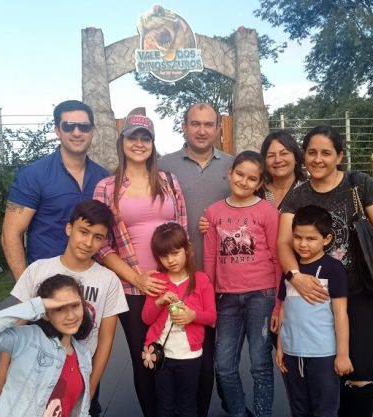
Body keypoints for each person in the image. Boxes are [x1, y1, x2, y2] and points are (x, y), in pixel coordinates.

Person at [278, 125, 373, 417]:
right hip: (317, 297)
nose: (317, 159)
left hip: (362, 292)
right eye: (311, 152)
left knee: (358, 372)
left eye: (326, 153)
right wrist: (296, 277)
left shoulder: (359, 184)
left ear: (340, 156)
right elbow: (283, 243)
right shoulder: (297, 196)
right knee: (326, 372)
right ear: (303, 156)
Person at [0, 200, 128, 417]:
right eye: (83, 232)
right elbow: (16, 325)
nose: (88, 242)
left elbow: (106, 340)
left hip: (77, 373)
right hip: (33, 368)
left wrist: (91, 388)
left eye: (98, 237)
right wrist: (0, 377)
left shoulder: (108, 281)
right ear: (69, 228)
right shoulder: (38, 270)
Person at [93, 110, 187, 417]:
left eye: (145, 137)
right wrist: (137, 279)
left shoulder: (169, 181)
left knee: (177, 353)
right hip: (132, 289)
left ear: (153, 143)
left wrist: (186, 278)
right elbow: (101, 244)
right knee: (145, 357)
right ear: (122, 142)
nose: (139, 143)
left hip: (173, 283)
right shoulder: (107, 187)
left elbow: (183, 231)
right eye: (132, 137)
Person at [158, 102, 233, 417]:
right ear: (184, 127)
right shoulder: (164, 165)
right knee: (177, 354)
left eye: (208, 124)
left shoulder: (232, 166)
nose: (202, 130)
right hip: (177, 279)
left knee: (213, 356)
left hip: (222, 279)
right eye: (195, 124)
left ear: (218, 128)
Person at [204, 151, 281, 417]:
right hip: (226, 298)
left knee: (260, 365)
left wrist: (278, 304)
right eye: (239, 174)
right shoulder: (213, 212)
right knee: (224, 366)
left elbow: (277, 257)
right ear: (230, 173)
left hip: (262, 295)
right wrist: (209, 301)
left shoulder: (267, 211)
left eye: (251, 178)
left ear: (259, 183)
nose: (243, 182)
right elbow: (210, 259)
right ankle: (238, 413)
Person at [2, 99, 109, 280]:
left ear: (92, 131)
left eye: (84, 127)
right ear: (58, 131)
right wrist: (24, 287)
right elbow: (10, 234)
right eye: (68, 126)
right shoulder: (32, 175)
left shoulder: (104, 178)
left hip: (94, 281)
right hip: (47, 281)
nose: (77, 132)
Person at [0, 274, 94, 417]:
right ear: (46, 314)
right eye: (59, 309)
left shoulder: (83, 357)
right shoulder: (29, 339)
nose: (71, 316)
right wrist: (38, 305)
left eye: (75, 305)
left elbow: (78, 409)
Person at [275, 205, 353, 417]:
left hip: (323, 356)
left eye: (311, 239)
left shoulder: (333, 269)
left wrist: (342, 355)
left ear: (326, 239)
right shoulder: (290, 271)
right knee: (299, 410)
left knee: (325, 410)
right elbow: (284, 310)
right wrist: (281, 347)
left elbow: (340, 314)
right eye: (297, 237)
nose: (302, 244)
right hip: (292, 353)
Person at [141, 222, 216, 417]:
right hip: (162, 354)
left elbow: (212, 316)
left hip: (190, 356)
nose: (170, 260)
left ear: (187, 249)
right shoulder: (158, 280)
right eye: (164, 256)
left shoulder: (201, 280)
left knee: (187, 406)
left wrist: (192, 315)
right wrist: (159, 302)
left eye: (175, 253)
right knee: (164, 406)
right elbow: (146, 318)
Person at [260, 130, 307, 209]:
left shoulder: (308, 191)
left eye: (284, 153)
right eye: (271, 155)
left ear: (296, 157)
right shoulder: (256, 191)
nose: (277, 160)